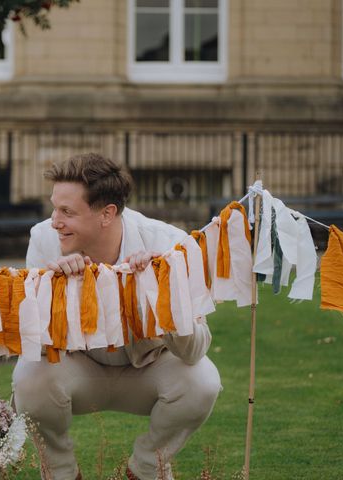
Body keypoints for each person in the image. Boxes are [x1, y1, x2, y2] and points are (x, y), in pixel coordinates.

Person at [13, 153, 222, 480]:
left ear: (107, 213)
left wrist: (158, 294)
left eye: (67, 211)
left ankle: (146, 468)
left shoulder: (170, 244)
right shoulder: (44, 240)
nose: (55, 221)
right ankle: (61, 472)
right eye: (54, 208)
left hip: (148, 368)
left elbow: (195, 351)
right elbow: (34, 345)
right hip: (77, 367)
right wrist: (57, 294)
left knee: (204, 381)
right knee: (28, 379)